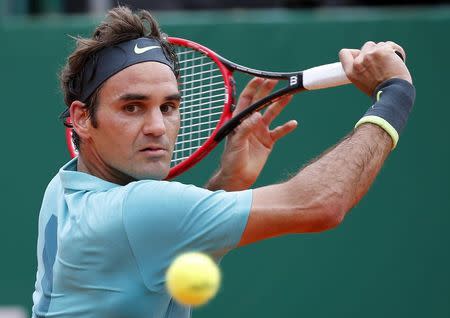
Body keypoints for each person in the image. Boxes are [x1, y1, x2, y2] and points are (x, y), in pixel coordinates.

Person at [32, 5, 415, 318]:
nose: (156, 127)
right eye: (132, 107)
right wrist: (394, 95)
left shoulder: (64, 188)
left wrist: (227, 182)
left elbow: (155, 238)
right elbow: (322, 203)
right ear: (82, 118)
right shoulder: (137, 210)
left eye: (168, 106)